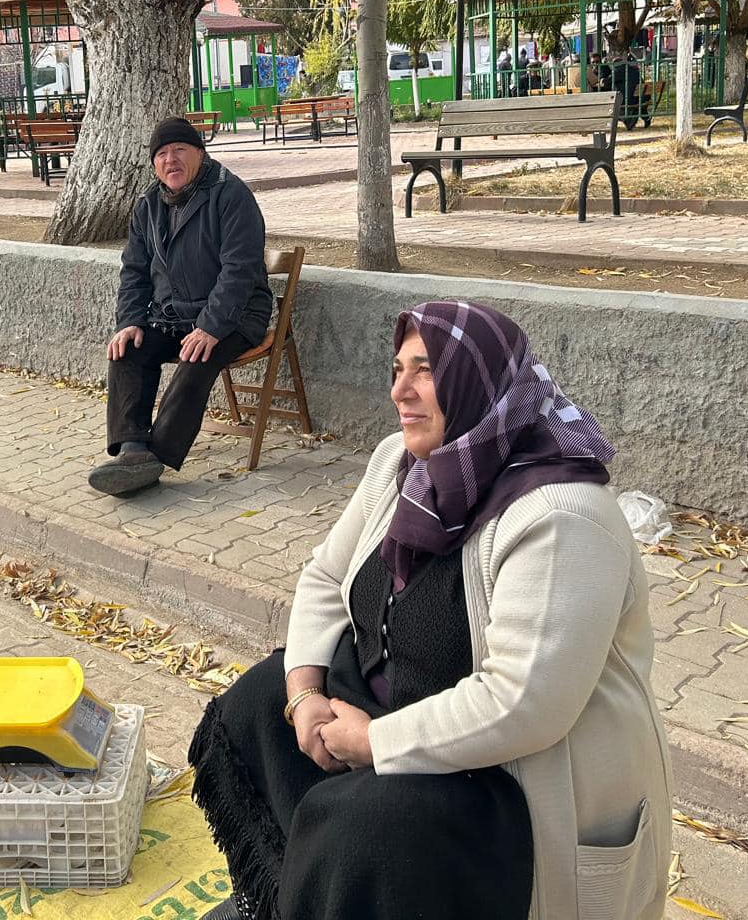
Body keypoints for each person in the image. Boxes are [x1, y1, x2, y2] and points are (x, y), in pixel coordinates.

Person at [188, 300, 671, 920]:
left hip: (507, 782)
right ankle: (299, 893)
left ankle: (337, 882)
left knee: (367, 831)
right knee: (262, 701)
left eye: (426, 370)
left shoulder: (560, 515)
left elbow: (523, 703)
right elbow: (327, 574)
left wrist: (373, 741)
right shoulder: (402, 464)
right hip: (410, 720)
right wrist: (304, 694)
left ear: (481, 382)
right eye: (396, 369)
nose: (400, 390)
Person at [89, 117, 272, 496]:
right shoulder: (148, 204)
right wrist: (131, 320)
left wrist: (211, 326)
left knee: (197, 357)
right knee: (128, 350)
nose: (170, 160)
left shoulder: (230, 195)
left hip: (236, 315)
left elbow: (239, 271)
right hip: (174, 316)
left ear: (200, 154)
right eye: (162, 154)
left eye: (179, 151)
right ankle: (133, 450)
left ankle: (155, 458)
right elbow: (135, 271)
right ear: (154, 164)